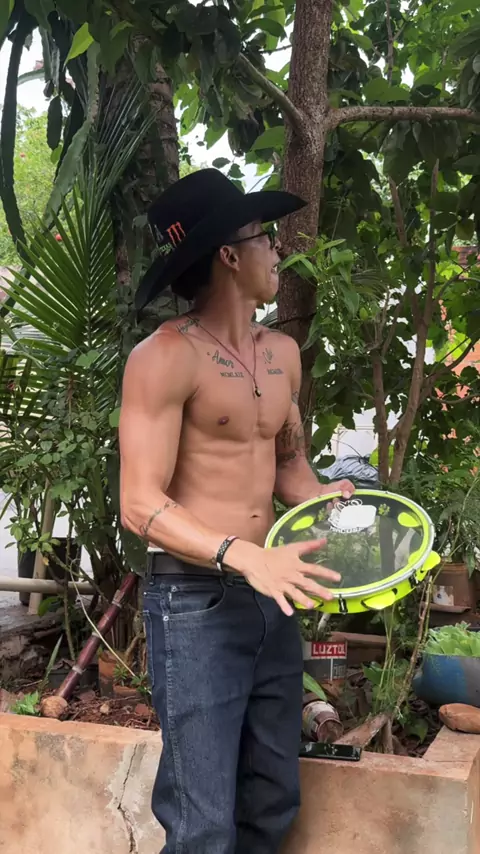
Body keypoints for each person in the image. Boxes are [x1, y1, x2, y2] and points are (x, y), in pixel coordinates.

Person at [119, 168, 354, 854]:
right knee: (203, 823)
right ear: (228, 253)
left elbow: (288, 467)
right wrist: (239, 553)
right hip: (194, 601)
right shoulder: (165, 357)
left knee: (271, 799)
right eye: (265, 237)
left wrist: (331, 504)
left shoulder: (281, 354)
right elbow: (139, 503)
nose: (278, 249)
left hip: (270, 594)